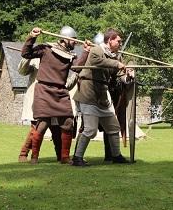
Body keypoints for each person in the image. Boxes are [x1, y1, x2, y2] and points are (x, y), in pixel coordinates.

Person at [21, 26, 88, 163]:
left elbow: (77, 68)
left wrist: (86, 52)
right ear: (65, 39)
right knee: (42, 124)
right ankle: (34, 157)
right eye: (73, 40)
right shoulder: (46, 49)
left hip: (61, 92)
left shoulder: (70, 56)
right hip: (44, 90)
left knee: (68, 122)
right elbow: (25, 53)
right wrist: (32, 37)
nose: (76, 42)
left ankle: (64, 157)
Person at [71, 28, 131, 167]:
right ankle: (77, 158)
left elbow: (117, 74)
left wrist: (127, 76)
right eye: (118, 41)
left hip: (103, 95)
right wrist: (117, 63)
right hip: (88, 93)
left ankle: (116, 156)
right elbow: (98, 62)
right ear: (110, 40)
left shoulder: (116, 56)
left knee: (113, 127)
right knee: (90, 129)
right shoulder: (96, 50)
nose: (120, 44)